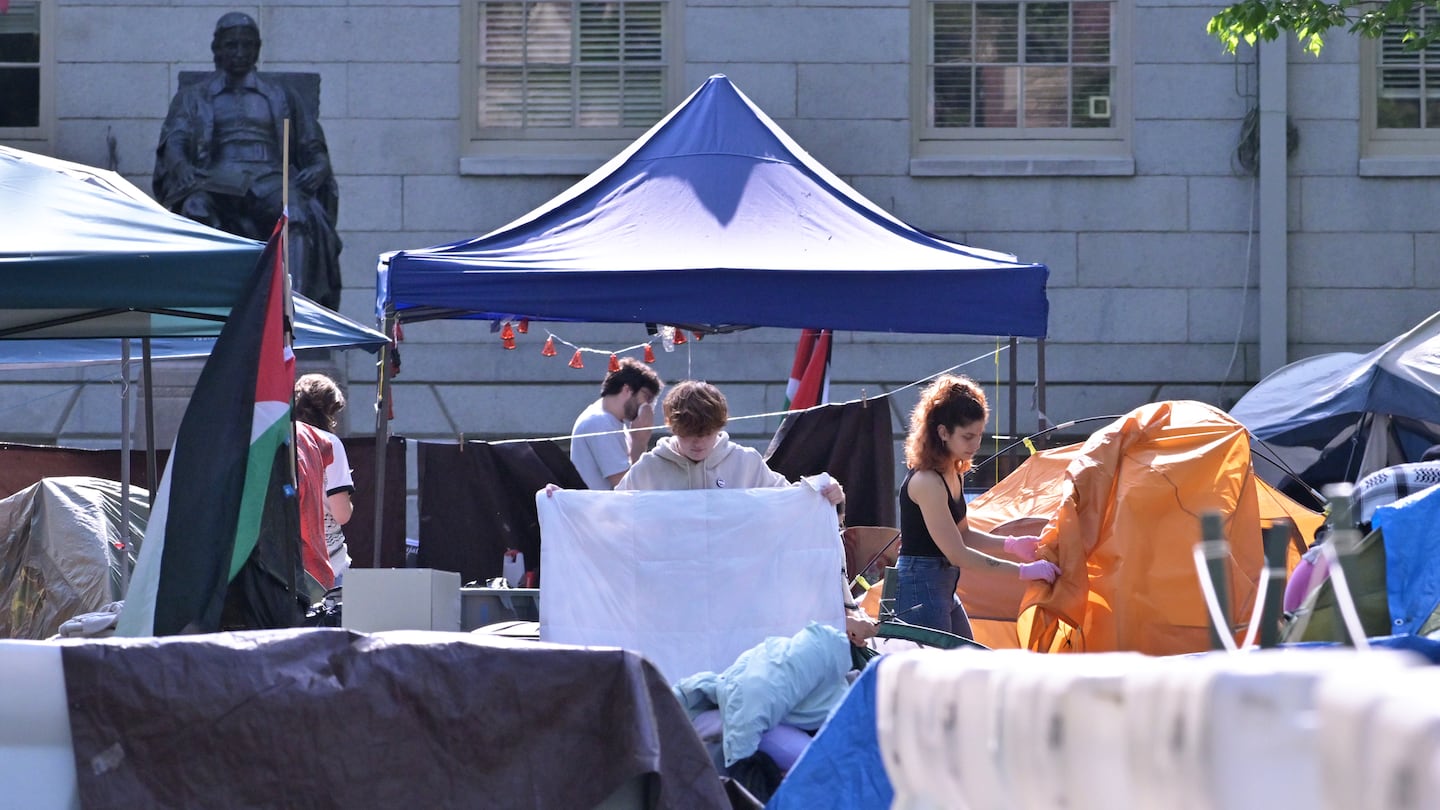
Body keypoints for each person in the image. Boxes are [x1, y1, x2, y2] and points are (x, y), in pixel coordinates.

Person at [615, 380, 876, 644]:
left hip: (737, 602)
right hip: (670, 600)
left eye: (706, 434)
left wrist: (828, 495)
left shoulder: (745, 462)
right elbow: (611, 519)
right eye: (688, 434)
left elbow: (793, 506)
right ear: (672, 427)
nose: (697, 442)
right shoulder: (647, 469)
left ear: (720, 426)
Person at [153, 11, 343, 308]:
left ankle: (294, 311)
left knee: (297, 213)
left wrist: (319, 167)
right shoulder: (194, 97)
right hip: (215, 179)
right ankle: (204, 312)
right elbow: (174, 140)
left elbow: (312, 144)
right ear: (217, 49)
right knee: (194, 208)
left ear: (257, 49)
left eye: (246, 45)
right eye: (232, 45)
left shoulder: (282, 95)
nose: (239, 52)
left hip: (268, 178)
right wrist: (181, 166)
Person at [895, 374, 1060, 637]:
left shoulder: (953, 471)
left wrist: (1011, 544)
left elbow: (965, 534)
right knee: (941, 672)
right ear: (943, 432)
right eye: (968, 436)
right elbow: (957, 553)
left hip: (942, 583)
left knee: (967, 660)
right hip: (920, 586)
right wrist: (1023, 571)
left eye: (979, 435)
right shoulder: (927, 481)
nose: (975, 445)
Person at [293, 373, 355, 585]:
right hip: (327, 561)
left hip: (287, 560)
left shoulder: (283, 438)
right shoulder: (330, 444)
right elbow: (342, 514)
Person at [569, 357, 663, 490]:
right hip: (597, 510)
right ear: (627, 390)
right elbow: (625, 485)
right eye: (646, 397)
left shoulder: (614, 422)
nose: (647, 406)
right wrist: (640, 442)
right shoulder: (600, 422)